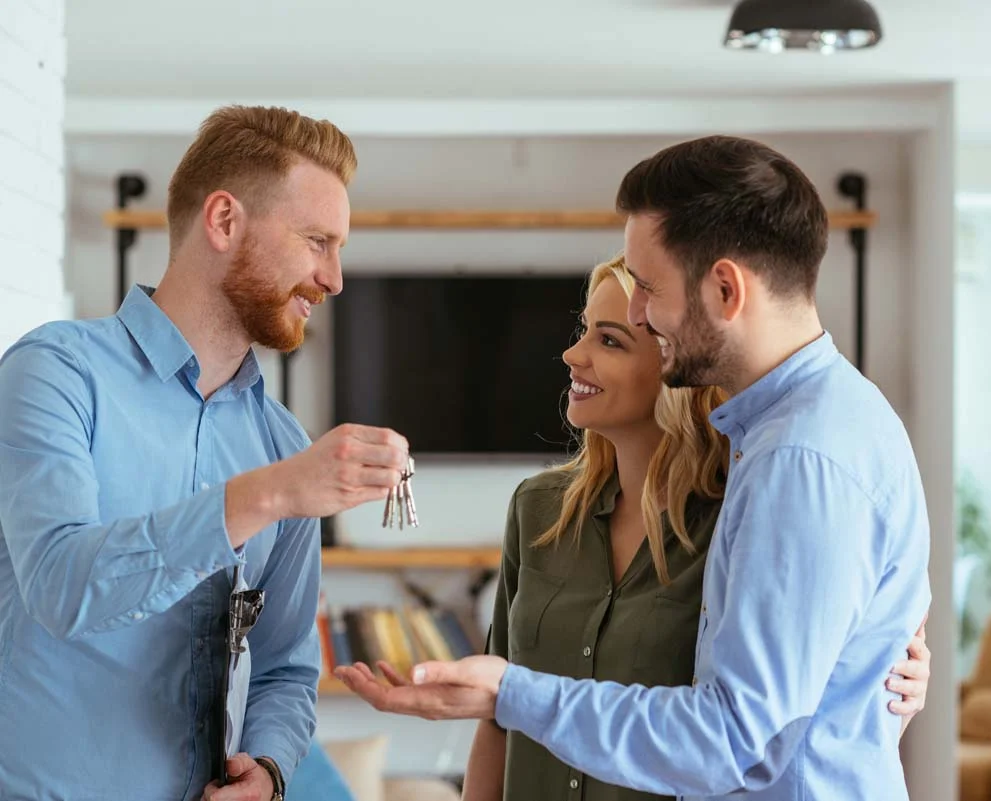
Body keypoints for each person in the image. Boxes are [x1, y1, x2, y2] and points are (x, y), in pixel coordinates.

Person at [337, 135, 932, 801]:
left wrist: (512, 691)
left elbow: (733, 740)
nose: (641, 311)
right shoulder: (805, 429)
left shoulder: (797, 459)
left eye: (648, 290)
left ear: (726, 289)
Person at [0, 105, 410, 801]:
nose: (334, 277)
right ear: (223, 221)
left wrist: (273, 769)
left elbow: (284, 666)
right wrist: (266, 495)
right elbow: (62, 585)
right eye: (317, 240)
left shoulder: (282, 442)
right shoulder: (56, 373)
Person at [452, 254, 931, 801]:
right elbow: (497, 716)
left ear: (675, 367)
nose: (572, 354)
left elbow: (796, 710)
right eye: (585, 331)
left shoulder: (747, 519)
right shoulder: (537, 509)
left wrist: (883, 685)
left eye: (609, 341)